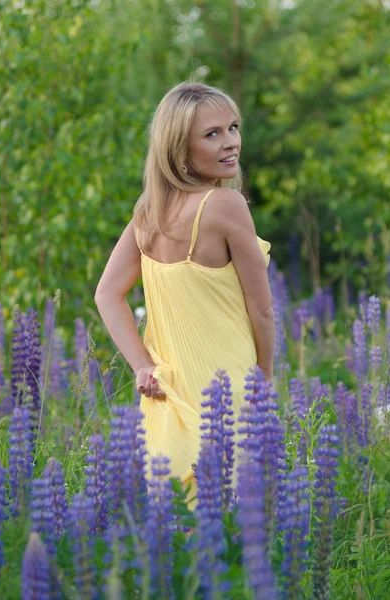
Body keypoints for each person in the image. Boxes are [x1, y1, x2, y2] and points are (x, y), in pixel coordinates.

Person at [94, 79, 275, 511]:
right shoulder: (227, 206)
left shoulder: (148, 213)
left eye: (233, 127)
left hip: (168, 391)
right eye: (212, 134)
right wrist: (265, 377)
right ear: (179, 148)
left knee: (177, 528)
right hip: (228, 391)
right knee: (236, 532)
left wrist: (142, 366)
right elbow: (263, 309)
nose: (231, 142)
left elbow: (107, 294)